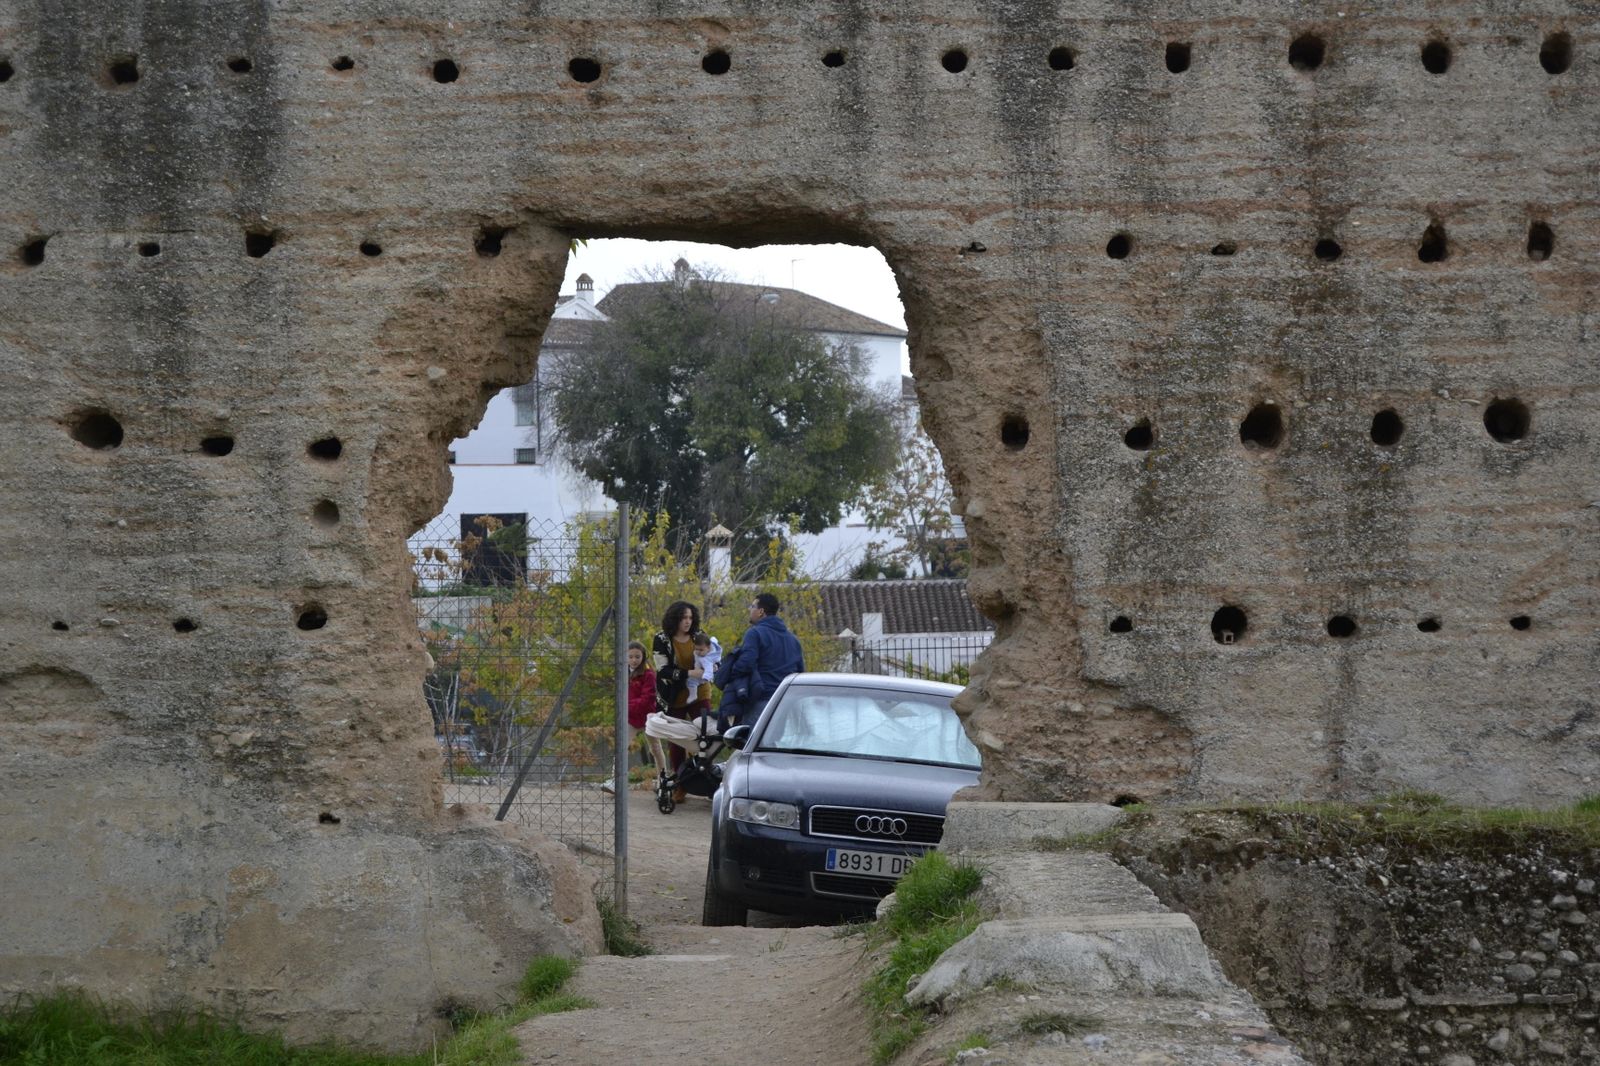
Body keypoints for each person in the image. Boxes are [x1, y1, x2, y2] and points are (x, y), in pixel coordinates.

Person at [717, 592, 805, 729]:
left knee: (750, 745)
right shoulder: (793, 640)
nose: (749, 610)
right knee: (774, 745)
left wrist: (729, 675)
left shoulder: (755, 633)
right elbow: (800, 673)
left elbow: (746, 663)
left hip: (761, 700)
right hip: (786, 703)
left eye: (752, 606)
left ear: (761, 612)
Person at [651, 600, 703, 801]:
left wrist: (712, 668)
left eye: (690, 617)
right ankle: (680, 784)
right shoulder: (662, 638)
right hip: (674, 695)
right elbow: (663, 670)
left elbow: (713, 657)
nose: (687, 622)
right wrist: (690, 673)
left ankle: (703, 779)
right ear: (675, 619)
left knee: (705, 734)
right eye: (683, 618)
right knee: (676, 741)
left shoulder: (699, 635)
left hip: (699, 691)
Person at [626, 641, 657, 764]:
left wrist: (626, 706)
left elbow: (647, 698)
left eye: (637, 657)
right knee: (622, 747)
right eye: (631, 657)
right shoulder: (623, 673)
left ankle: (662, 775)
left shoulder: (648, 674)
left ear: (643, 656)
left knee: (655, 749)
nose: (634, 660)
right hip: (631, 718)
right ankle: (615, 777)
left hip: (648, 716)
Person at [687, 631, 722, 715]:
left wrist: (705, 676)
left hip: (704, 676)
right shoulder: (701, 651)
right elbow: (713, 639)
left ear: (708, 648)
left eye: (701, 650)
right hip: (698, 669)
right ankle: (693, 694)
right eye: (696, 649)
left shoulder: (707, 659)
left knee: (691, 681)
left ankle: (693, 694)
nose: (698, 652)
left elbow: (709, 670)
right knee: (689, 681)